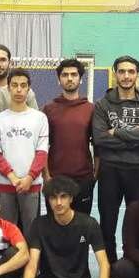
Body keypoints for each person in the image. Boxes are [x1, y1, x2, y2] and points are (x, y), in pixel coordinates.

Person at [15, 177, 124, 278]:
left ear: (71, 198)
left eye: (63, 197)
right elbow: (33, 263)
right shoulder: (39, 224)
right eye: (53, 198)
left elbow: (104, 263)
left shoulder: (88, 224)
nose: (58, 202)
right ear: (48, 200)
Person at [93, 56, 139, 262]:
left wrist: (116, 132)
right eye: (122, 71)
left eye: (131, 71)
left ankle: (134, 265)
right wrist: (136, 135)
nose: (126, 76)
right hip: (110, 171)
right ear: (115, 74)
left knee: (137, 223)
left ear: (137, 74)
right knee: (107, 223)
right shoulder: (103, 104)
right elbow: (100, 139)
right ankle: (110, 267)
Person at [0, 69, 49, 232]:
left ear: (29, 89)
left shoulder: (40, 118)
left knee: (31, 233)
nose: (19, 89)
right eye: (14, 85)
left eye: (23, 85)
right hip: (5, 185)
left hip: (31, 185)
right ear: (8, 88)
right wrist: (13, 178)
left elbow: (42, 153)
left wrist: (29, 177)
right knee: (7, 233)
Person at [42, 58, 97, 214]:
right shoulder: (48, 109)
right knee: (55, 224)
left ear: (81, 79)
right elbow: (42, 146)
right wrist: (47, 177)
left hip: (83, 179)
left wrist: (95, 175)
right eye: (65, 75)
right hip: (56, 178)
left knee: (82, 223)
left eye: (74, 74)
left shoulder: (91, 109)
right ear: (59, 80)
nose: (70, 78)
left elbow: (98, 145)